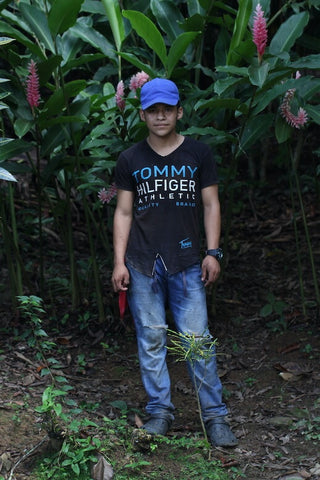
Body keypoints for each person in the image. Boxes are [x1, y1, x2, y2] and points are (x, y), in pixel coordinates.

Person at [111, 78, 237, 448]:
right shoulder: (130, 159)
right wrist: (119, 262)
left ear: (179, 111)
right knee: (151, 339)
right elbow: (122, 212)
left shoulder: (198, 154)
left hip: (186, 261)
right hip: (142, 262)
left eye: (168, 109)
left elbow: (211, 204)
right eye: (153, 110)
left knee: (197, 340)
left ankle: (215, 417)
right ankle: (159, 412)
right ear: (142, 115)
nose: (161, 116)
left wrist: (213, 252)